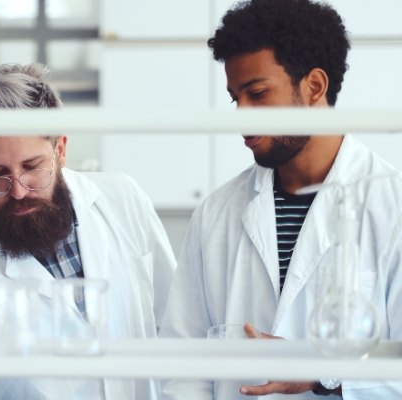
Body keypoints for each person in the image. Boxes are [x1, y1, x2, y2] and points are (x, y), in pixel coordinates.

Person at [158, 1, 402, 399]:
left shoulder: (392, 204)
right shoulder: (217, 213)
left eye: (257, 93)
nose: (242, 115)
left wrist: (322, 374)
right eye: (236, 98)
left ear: (315, 86)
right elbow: (184, 369)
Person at [0, 63, 177, 400]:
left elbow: (175, 326)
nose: (17, 190)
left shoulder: (123, 197)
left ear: (60, 148)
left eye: (32, 168)